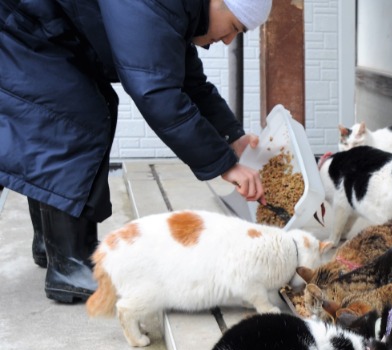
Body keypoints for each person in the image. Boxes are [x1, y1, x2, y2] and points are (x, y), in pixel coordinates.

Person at [0, 0, 272, 303]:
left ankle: (53, 246)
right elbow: (156, 93)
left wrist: (232, 136)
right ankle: (68, 265)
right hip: (19, 26)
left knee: (75, 112)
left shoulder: (178, 11)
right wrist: (225, 165)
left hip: (37, 26)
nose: (228, 40)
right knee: (72, 117)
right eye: (234, 27)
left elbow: (188, 81)